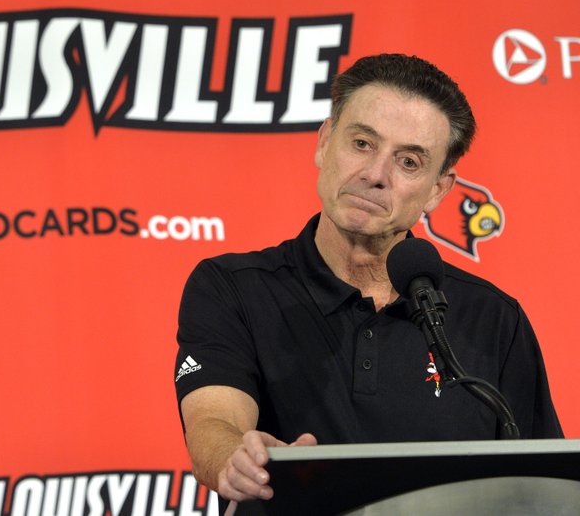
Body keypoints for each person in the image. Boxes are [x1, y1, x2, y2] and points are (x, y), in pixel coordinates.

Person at [173, 54, 563, 506]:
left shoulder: (494, 319)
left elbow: (540, 487)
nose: (375, 175)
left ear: (438, 189)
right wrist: (237, 457)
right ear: (323, 142)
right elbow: (214, 422)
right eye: (361, 143)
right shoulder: (233, 287)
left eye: (409, 162)